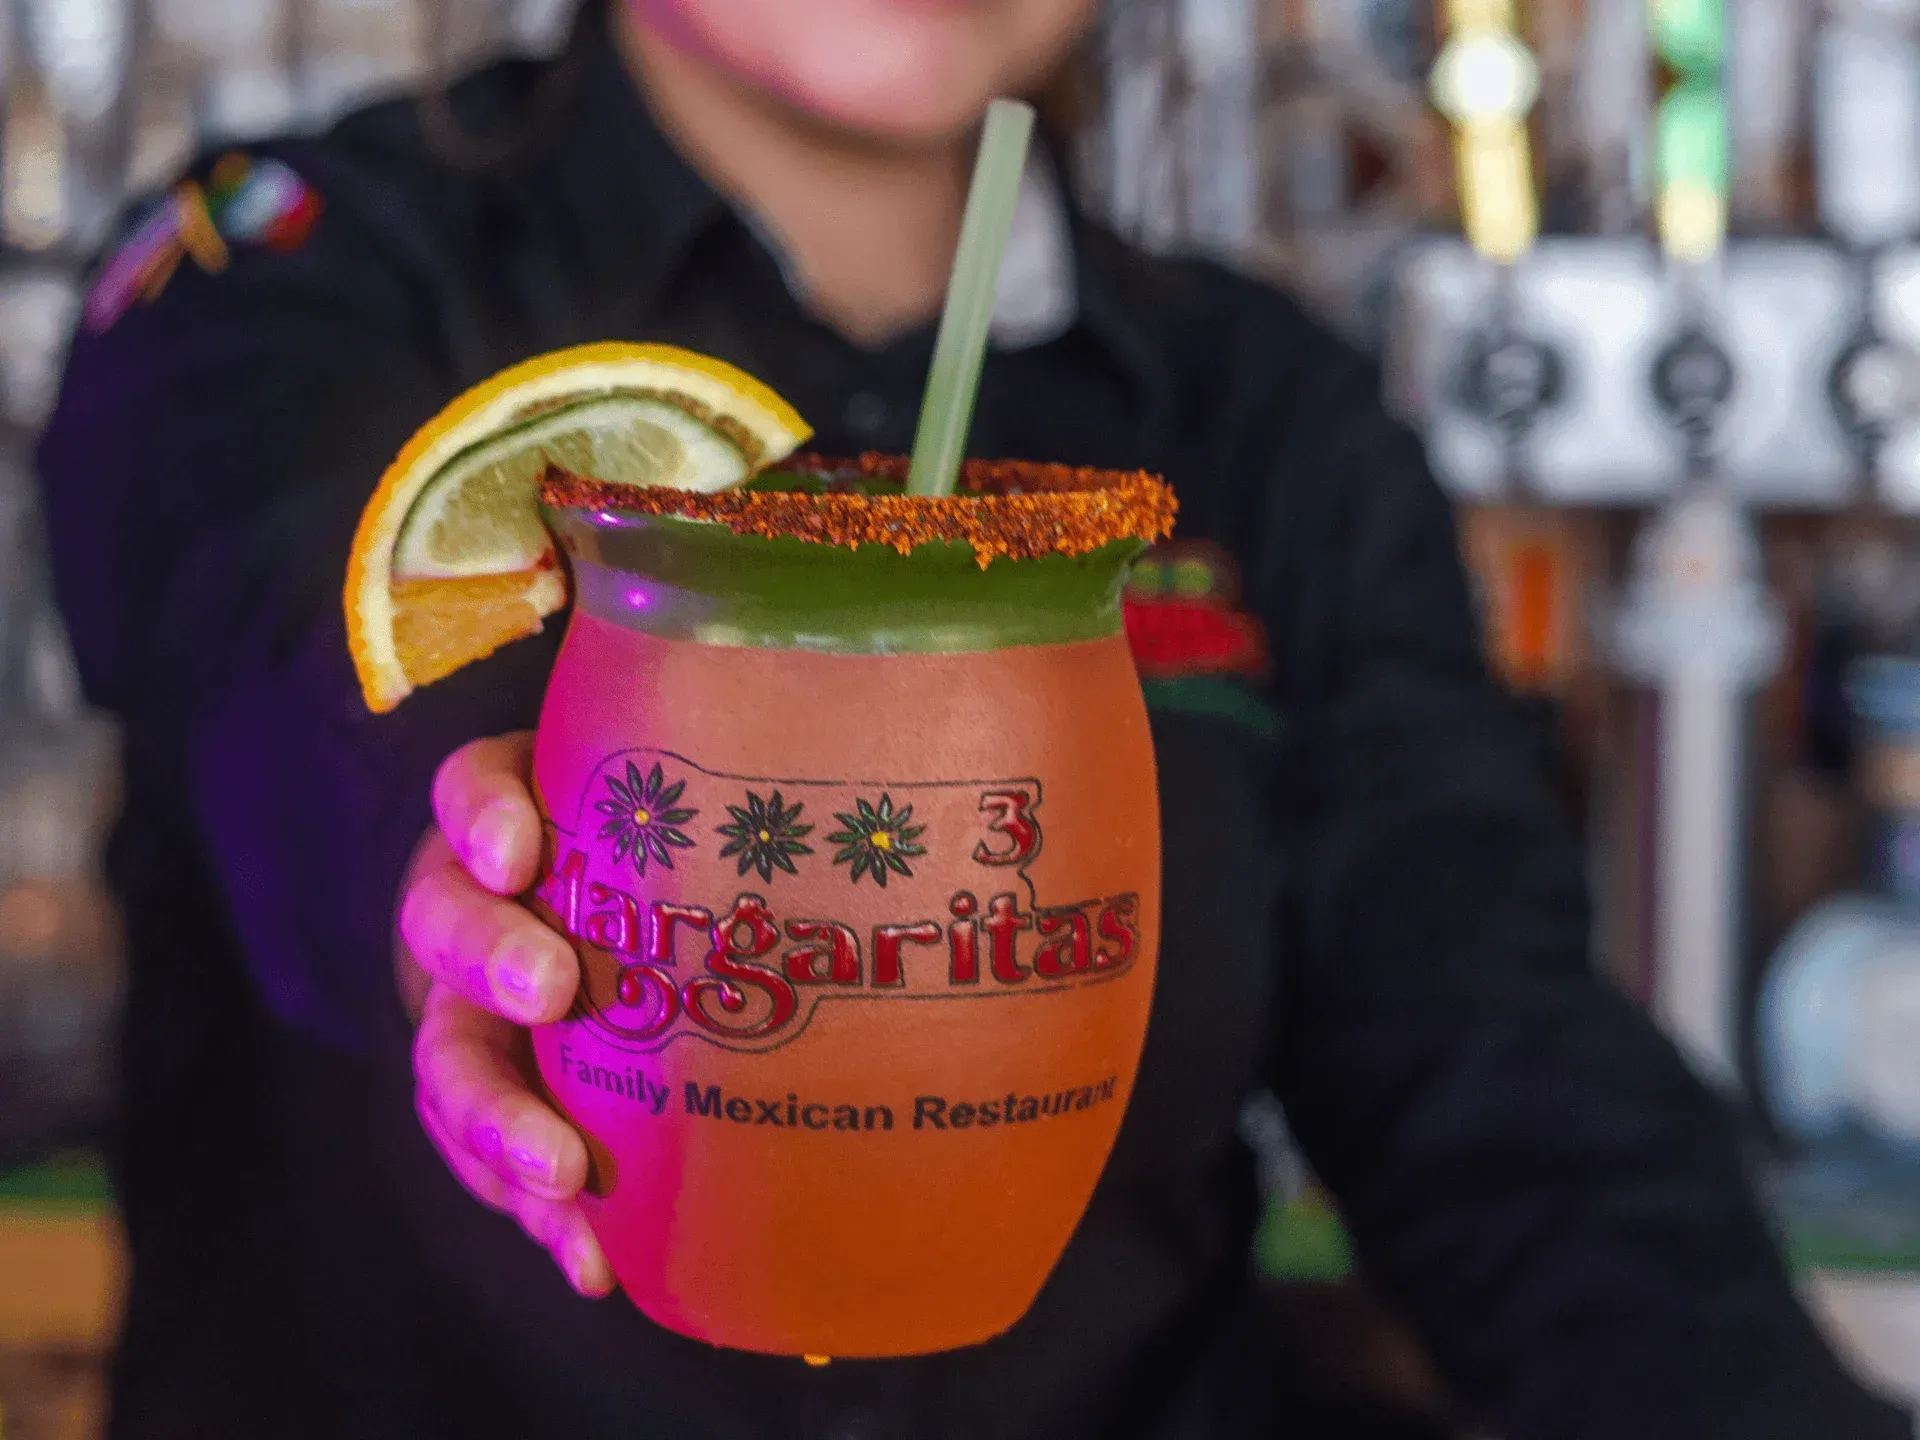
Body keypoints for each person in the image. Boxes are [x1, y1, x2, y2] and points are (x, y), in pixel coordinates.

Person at [35, 1, 1913, 1437]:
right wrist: (453, 873)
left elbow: (1507, 1092)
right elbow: (269, 663)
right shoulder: (281, 271)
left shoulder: (1265, 420)